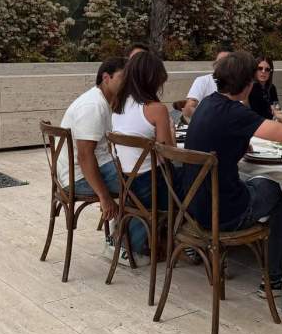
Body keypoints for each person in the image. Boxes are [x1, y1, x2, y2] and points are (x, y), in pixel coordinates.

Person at [182, 51, 282, 297]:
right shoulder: (235, 112)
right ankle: (274, 279)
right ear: (248, 84)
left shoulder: (207, 103)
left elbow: (220, 138)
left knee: (262, 182)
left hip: (193, 208)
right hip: (223, 213)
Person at [111, 51, 176, 265]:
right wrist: (171, 132)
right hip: (152, 188)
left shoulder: (117, 106)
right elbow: (168, 154)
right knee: (197, 180)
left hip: (128, 185)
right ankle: (188, 242)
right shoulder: (156, 109)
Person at [58, 57, 127, 235]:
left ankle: (126, 236)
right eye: (123, 77)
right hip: (78, 178)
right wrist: (104, 197)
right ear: (106, 78)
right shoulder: (93, 106)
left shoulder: (103, 100)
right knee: (146, 183)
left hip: (91, 168)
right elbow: (84, 156)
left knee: (145, 178)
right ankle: (127, 241)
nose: (128, 82)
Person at [182, 46, 230, 121]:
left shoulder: (242, 82)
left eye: (228, 62)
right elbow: (188, 109)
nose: (224, 65)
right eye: (221, 62)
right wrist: (211, 121)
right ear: (215, 64)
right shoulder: (203, 81)